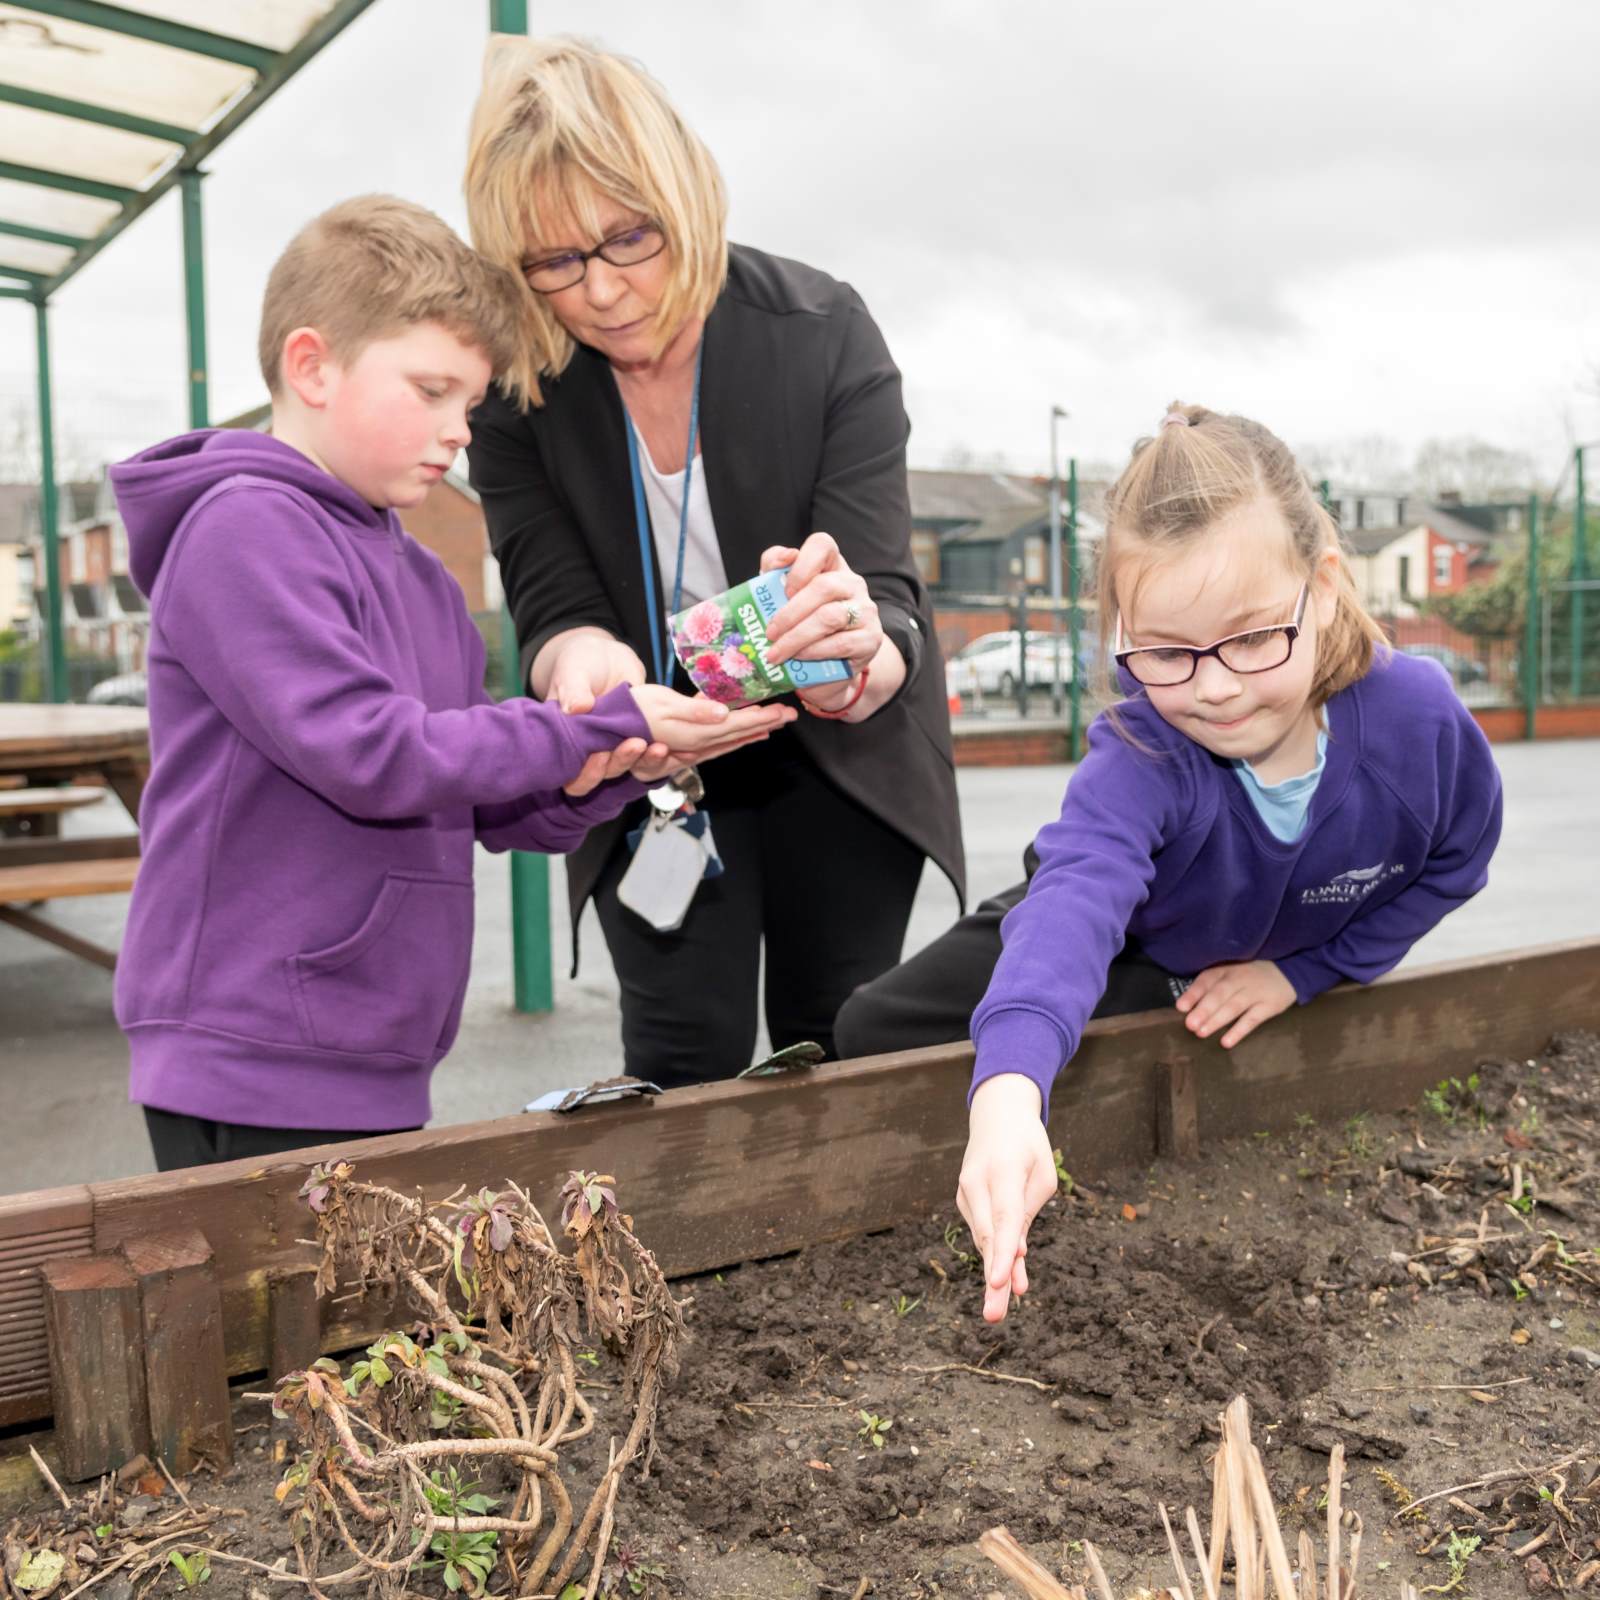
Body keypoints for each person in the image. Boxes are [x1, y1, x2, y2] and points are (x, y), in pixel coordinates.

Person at [110, 196, 791, 1173]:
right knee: (276, 1326)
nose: (457, 431)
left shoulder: (426, 580)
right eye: (429, 390)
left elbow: (483, 800)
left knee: (356, 1329)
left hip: (371, 1042)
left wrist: (616, 761)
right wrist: (577, 729)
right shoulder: (242, 531)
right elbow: (370, 752)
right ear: (312, 366)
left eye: (468, 405)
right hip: (253, 1044)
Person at [873, 403, 1501, 1322]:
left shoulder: (1419, 722)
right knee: (871, 1030)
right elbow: (1077, 900)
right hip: (1117, 930)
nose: (1213, 685)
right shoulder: (1144, 744)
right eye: (1166, 651)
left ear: (1322, 587)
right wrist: (1009, 1096)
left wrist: (1304, 973)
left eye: (1252, 637)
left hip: (1201, 979)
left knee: (1125, 1075)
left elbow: (1457, 863)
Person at [462, 37, 964, 1088]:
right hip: (656, 766)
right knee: (679, 1054)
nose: (600, 291)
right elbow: (549, 594)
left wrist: (854, 648)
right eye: (554, 262)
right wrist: (583, 673)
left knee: (836, 1040)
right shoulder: (516, 392)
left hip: (837, 758)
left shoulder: (824, 332)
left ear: (684, 195)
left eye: (627, 238)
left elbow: (879, 590)